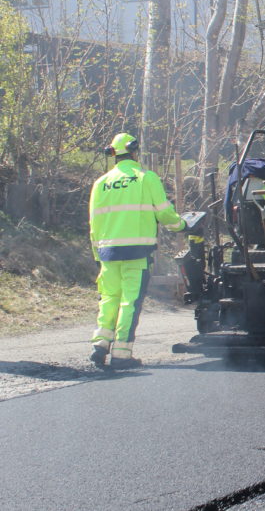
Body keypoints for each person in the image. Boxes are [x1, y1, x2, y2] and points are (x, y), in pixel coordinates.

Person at [88, 133, 188, 369]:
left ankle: (100, 344)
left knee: (110, 298)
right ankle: (122, 354)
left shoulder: (100, 183)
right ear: (134, 152)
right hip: (136, 252)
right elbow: (164, 213)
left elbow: (94, 224)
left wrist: (97, 255)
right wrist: (182, 225)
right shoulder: (145, 178)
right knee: (129, 302)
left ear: (113, 154)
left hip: (107, 252)